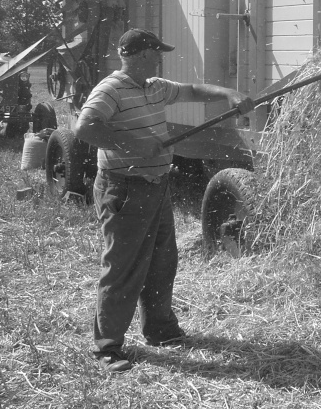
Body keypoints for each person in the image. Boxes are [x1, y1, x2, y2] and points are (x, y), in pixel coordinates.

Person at [73, 28, 253, 373]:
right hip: (124, 187)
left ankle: (160, 329)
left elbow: (193, 91)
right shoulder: (111, 89)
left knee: (162, 260)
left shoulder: (154, 86)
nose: (161, 58)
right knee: (124, 266)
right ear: (142, 55)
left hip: (156, 184)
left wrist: (229, 93)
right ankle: (108, 346)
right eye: (157, 53)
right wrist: (133, 146)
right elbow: (85, 128)